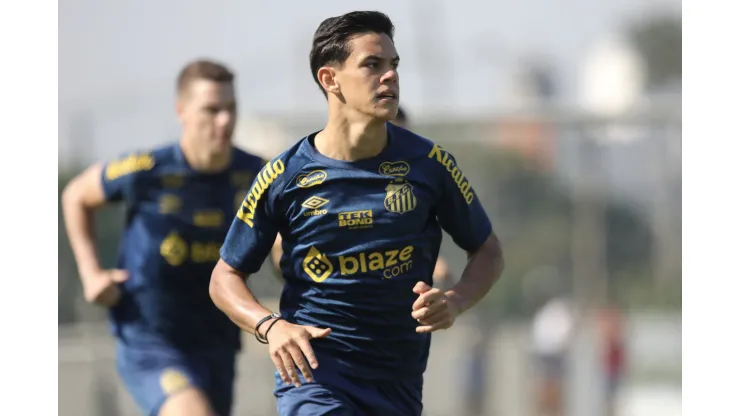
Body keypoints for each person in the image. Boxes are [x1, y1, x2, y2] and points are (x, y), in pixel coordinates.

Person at [210, 11, 504, 416]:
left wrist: (454, 302)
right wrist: (270, 325)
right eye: (372, 64)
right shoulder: (284, 174)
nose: (390, 76)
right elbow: (224, 276)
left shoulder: (429, 164)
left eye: (393, 65)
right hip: (315, 377)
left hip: (397, 384)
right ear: (330, 79)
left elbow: (487, 250)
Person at [62, 59, 264, 416]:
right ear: (181, 111)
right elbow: (76, 195)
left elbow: (283, 241)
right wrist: (91, 273)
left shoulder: (257, 175)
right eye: (211, 110)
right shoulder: (148, 169)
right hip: (150, 340)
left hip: (216, 341)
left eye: (231, 109)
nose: (225, 121)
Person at [269, 105, 454, 288]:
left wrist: (441, 278)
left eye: (402, 136)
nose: (394, 144)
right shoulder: (320, 177)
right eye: (387, 134)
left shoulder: (415, 181)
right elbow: (281, 246)